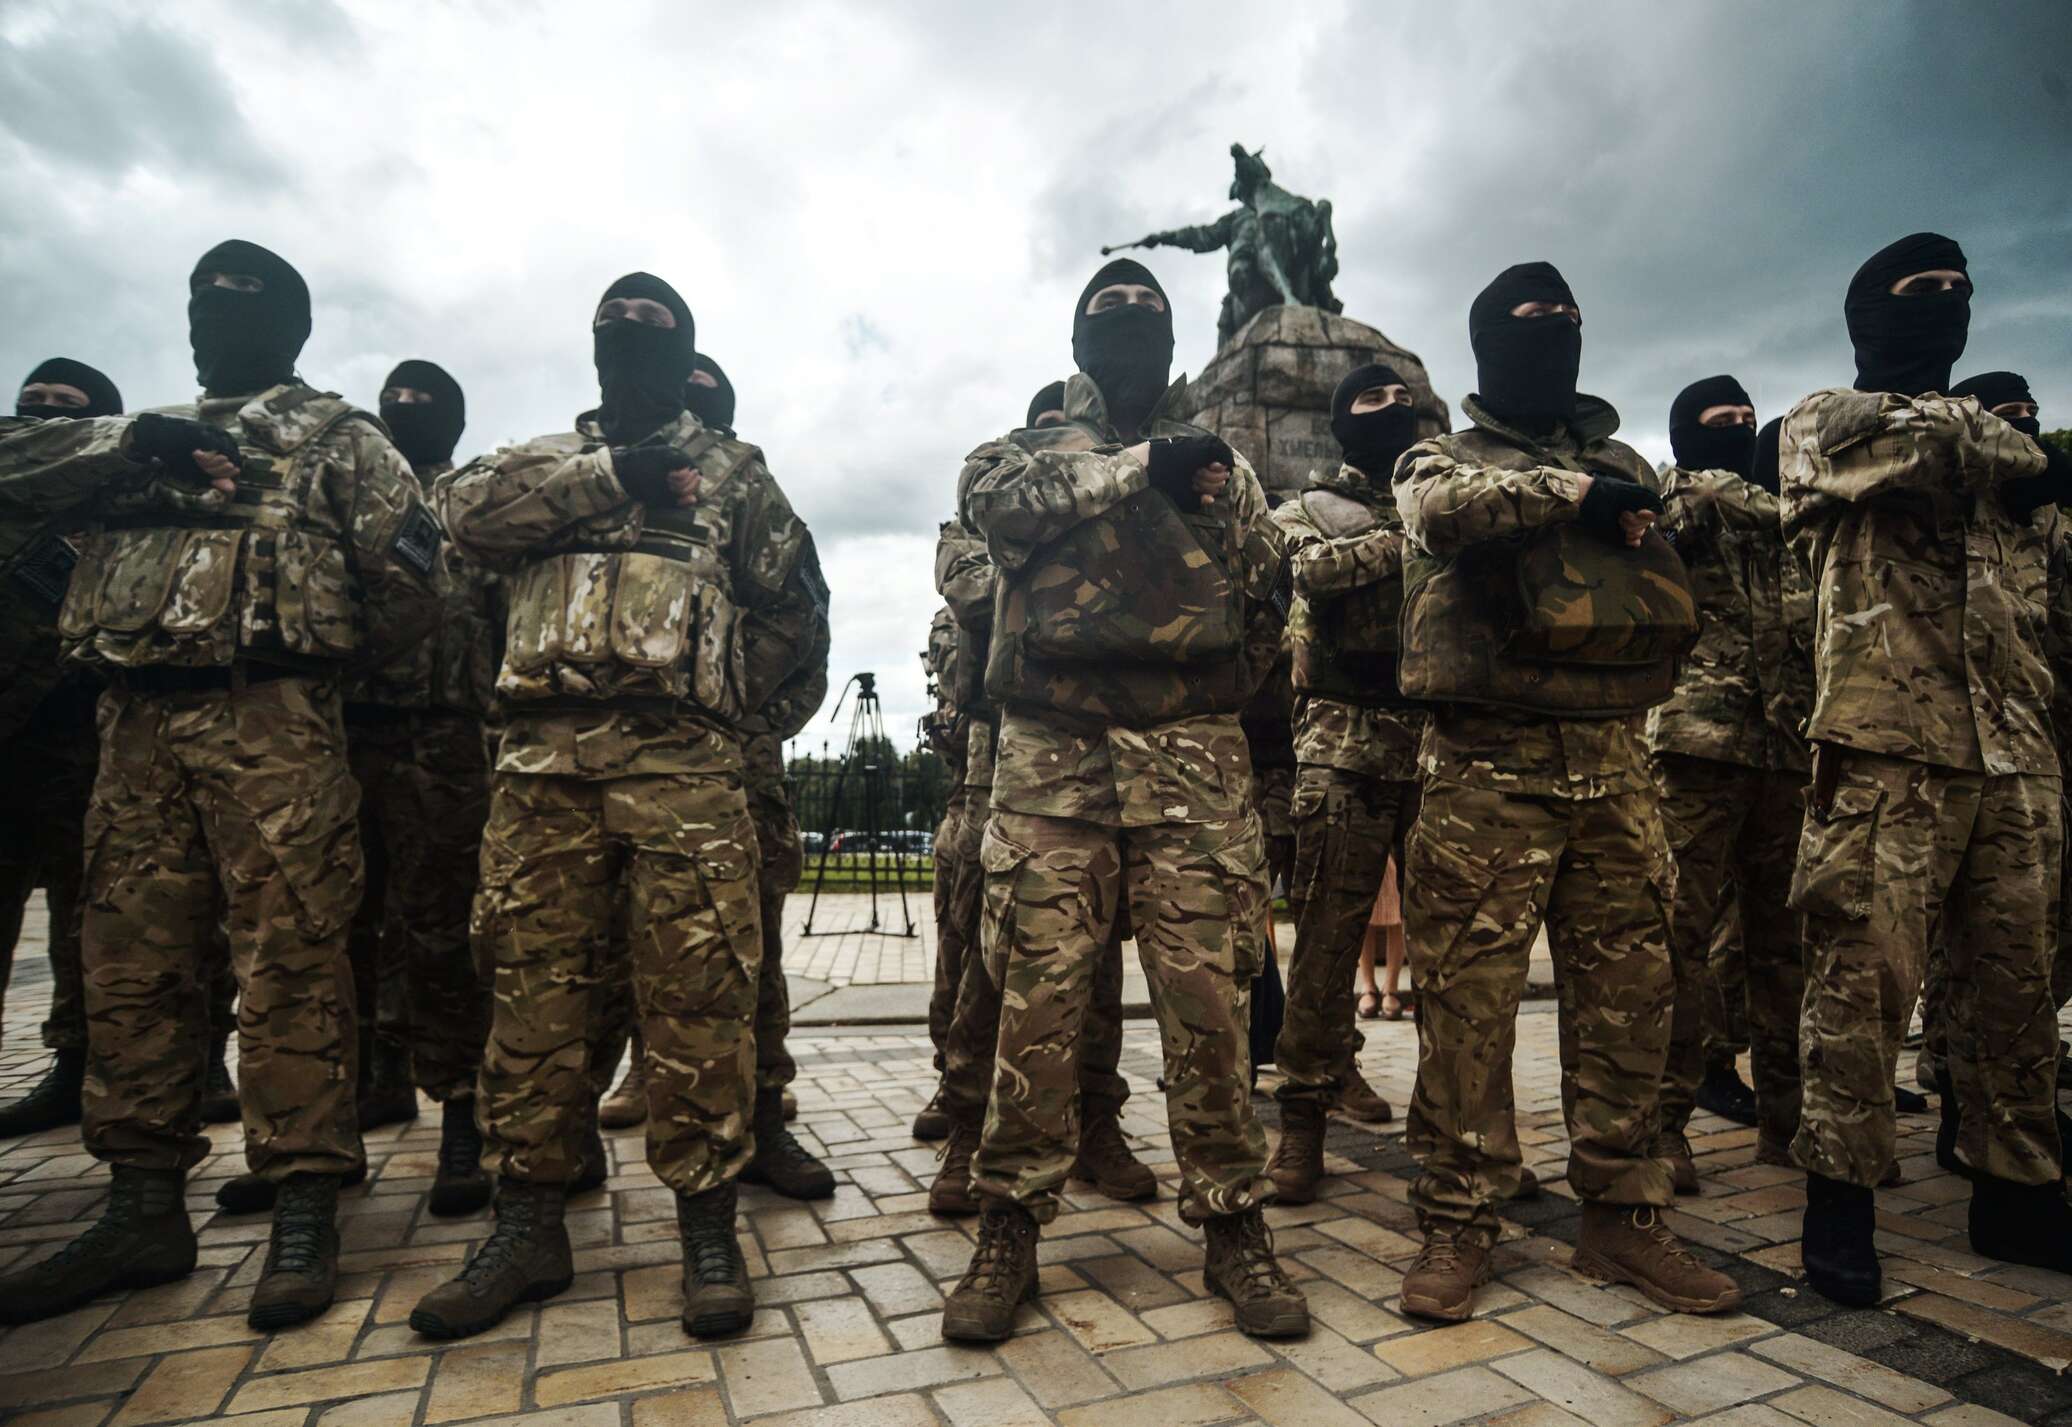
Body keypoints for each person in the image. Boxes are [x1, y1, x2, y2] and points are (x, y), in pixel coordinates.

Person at [0, 240, 444, 1330]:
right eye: (201, 295)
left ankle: (304, 1201)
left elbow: (409, 587)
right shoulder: (136, 437)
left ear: (291, 324)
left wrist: (306, 664)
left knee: (292, 961)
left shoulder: (342, 441)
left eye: (243, 297)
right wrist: (126, 437)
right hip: (134, 725)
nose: (214, 313)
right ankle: (142, 1204)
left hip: (271, 722)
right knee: (130, 965)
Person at [411, 273, 825, 1342]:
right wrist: (609, 476)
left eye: (653, 325)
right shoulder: (538, 462)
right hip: (542, 769)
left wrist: (719, 699)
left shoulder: (737, 475)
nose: (629, 338)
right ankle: (527, 1224)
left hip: (683, 768)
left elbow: (792, 611)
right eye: (614, 324)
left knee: (699, 997)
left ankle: (706, 1226)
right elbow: (455, 522)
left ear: (684, 346)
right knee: (531, 995)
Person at [941, 259, 1306, 1343]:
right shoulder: (1019, 451)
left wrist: (1195, 700)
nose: (1131, 322)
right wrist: (1144, 467)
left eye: (1149, 310)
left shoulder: (1227, 471)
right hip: (1051, 766)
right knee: (1037, 1005)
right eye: (1110, 310)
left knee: (1210, 1009)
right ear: (1077, 341)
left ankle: (1233, 1220)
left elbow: (1267, 596)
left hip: (1192, 765)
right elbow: (997, 514)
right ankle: (1010, 1223)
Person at [1393, 261, 1739, 1322]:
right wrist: (1574, 497)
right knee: (1468, 1004)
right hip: (1484, 772)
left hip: (1616, 765)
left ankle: (1622, 1213)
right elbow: (1435, 514)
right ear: (1489, 339)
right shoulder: (1439, 454)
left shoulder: (1623, 459)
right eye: (1533, 319)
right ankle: (1459, 1216)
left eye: (1569, 318)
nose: (1556, 331)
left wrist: (1633, 504)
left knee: (1631, 995)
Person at [1782, 235, 2072, 1306]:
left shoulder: (2009, 472)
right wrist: (2024, 453)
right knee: (1860, 986)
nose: (1947, 303)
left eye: (1960, 290)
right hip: (1884, 751)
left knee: (2014, 990)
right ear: (1872, 311)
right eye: (1922, 290)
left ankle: (2015, 1189)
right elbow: (1914, 442)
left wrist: (2023, 465)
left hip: (2013, 752)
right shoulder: (1825, 420)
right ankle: (1839, 1197)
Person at [592, 351, 836, 1200]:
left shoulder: (755, 504)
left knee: (749, 947)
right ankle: (633, 1073)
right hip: (608, 757)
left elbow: (806, 633)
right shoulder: (609, 485)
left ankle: (763, 1109)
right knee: (607, 936)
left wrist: (739, 710)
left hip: (735, 765)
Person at [0, 361, 241, 1141]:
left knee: (114, 925)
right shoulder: (18, 475)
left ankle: (102, 1063)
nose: (44, 413)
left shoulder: (128, 498)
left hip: (99, 745)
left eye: (66, 405)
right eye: (34, 400)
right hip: (11, 745)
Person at [927, 394, 1153, 1218]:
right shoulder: (974, 523)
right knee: (988, 958)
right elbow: (974, 594)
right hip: (999, 760)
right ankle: (966, 1121)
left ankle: (1097, 1120)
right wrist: (1082, 564)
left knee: (1096, 956)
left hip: (1092, 751)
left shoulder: (1110, 507)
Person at [1264, 362, 1429, 1203]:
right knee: (1327, 947)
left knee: (1457, 952)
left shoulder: (1442, 487)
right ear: (1342, 421)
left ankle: (1458, 1130)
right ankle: (1302, 1119)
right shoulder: (1307, 506)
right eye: (1372, 400)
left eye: (1404, 399)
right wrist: (1419, 535)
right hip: (1345, 741)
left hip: (1443, 744)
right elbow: (1305, 572)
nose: (1394, 409)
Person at [1646, 378, 1811, 1187]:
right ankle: (1662, 1125)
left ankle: (1790, 1121)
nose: (1742, 428)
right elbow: (1674, 512)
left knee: (1785, 945)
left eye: (1749, 419)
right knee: (1678, 937)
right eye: (1723, 420)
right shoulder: (1683, 497)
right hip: (1696, 747)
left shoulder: (1783, 529)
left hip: (1784, 749)